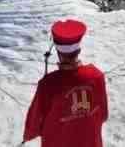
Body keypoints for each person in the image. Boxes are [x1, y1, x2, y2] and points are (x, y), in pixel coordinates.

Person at [23, 19, 109, 147]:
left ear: (58, 53)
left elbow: (35, 122)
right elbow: (103, 114)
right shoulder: (97, 75)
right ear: (78, 50)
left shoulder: (48, 84)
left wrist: (28, 135)